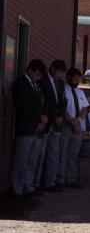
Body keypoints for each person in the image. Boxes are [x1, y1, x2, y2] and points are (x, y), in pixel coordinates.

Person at [12, 59, 48, 198]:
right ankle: (17, 188)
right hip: (25, 127)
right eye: (37, 74)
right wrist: (39, 116)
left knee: (32, 159)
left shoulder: (35, 85)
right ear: (30, 70)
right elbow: (22, 106)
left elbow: (40, 104)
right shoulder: (20, 84)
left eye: (39, 76)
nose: (38, 77)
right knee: (21, 159)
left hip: (36, 128)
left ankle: (27, 186)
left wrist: (42, 118)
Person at [58, 68, 89, 188]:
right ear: (69, 77)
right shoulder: (63, 90)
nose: (77, 81)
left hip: (78, 126)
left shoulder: (80, 92)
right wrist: (71, 121)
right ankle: (60, 179)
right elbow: (62, 108)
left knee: (74, 153)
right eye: (75, 78)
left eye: (79, 79)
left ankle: (71, 179)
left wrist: (79, 120)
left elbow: (84, 108)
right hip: (66, 125)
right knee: (63, 152)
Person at [39, 59, 67, 192]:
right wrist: (53, 116)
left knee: (54, 154)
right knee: (40, 153)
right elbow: (44, 103)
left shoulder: (60, 84)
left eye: (62, 73)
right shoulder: (43, 81)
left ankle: (50, 182)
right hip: (46, 123)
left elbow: (63, 102)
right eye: (59, 72)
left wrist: (61, 116)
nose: (60, 75)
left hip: (57, 125)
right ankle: (38, 182)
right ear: (53, 69)